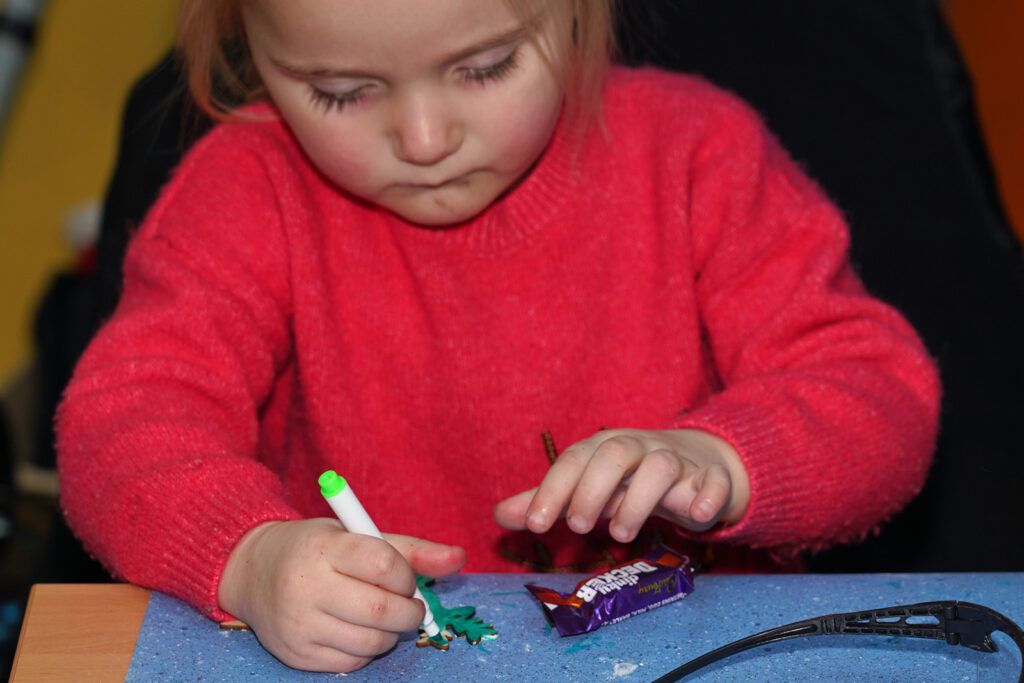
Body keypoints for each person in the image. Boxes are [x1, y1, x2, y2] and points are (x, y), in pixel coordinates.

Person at [56, 0, 940, 673]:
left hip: (702, 653)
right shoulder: (246, 190)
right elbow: (121, 423)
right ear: (250, 48)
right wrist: (247, 556)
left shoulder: (698, 155)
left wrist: (725, 460)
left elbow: (876, 392)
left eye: (485, 68)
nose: (425, 140)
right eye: (340, 92)